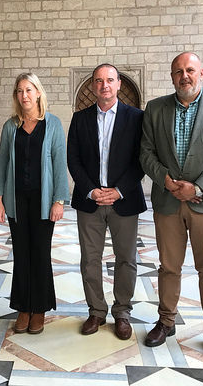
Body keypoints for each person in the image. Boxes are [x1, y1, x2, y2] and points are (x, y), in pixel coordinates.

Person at [139, 52, 203, 362]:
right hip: (168, 201)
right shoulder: (156, 108)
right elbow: (146, 152)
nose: (185, 76)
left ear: (201, 73)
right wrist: (167, 181)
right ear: (172, 77)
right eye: (179, 71)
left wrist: (197, 187)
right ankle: (166, 321)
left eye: (190, 70)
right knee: (168, 266)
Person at [67, 63, 146, 341]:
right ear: (92, 85)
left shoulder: (137, 118)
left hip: (124, 200)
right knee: (90, 259)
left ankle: (122, 312)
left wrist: (119, 190)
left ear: (119, 84)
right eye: (99, 81)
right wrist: (91, 190)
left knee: (126, 259)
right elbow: (73, 159)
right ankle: (96, 311)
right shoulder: (80, 118)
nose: (105, 85)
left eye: (110, 80)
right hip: (90, 201)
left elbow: (142, 159)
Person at [0, 72, 70, 335]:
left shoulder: (52, 124)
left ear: (38, 93)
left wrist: (59, 200)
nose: (24, 95)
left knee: (40, 254)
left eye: (28, 90)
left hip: (43, 201)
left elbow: (59, 163)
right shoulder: (10, 126)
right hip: (16, 201)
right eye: (20, 91)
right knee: (21, 254)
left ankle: (39, 308)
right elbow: (3, 164)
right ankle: (22, 308)